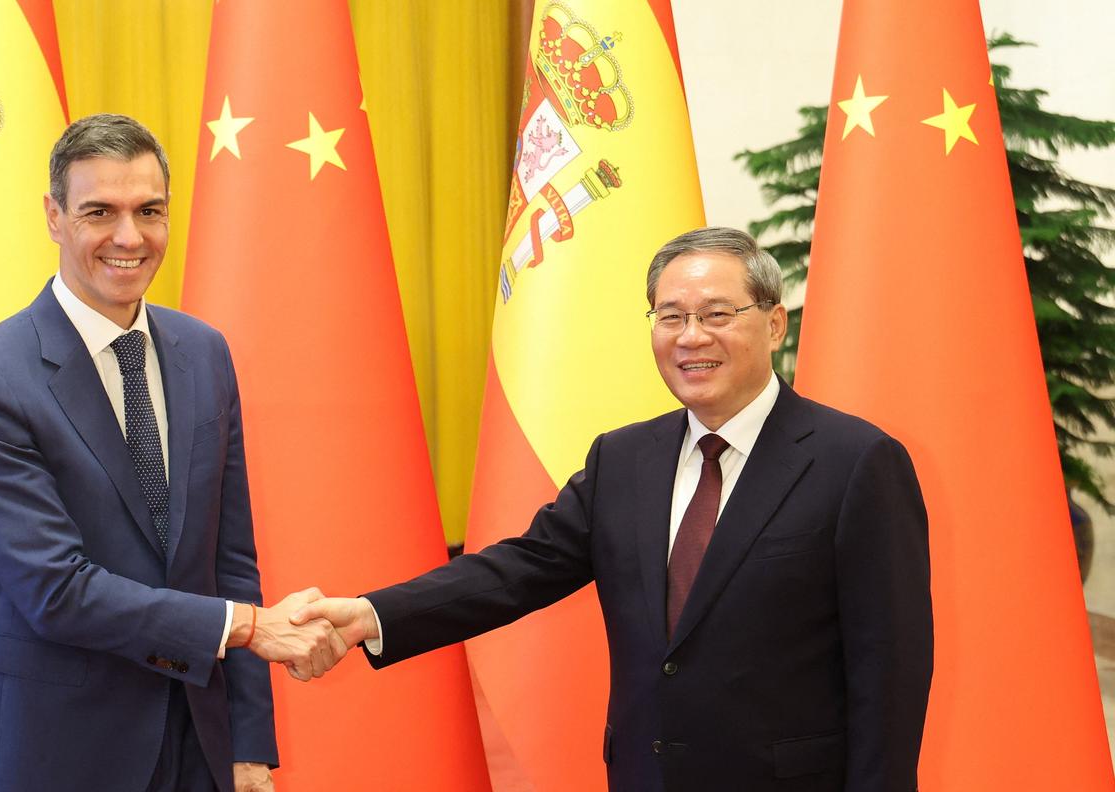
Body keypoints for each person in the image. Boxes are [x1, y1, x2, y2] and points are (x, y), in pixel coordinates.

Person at [294, 227, 933, 790]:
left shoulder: (856, 462)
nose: (691, 337)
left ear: (773, 322)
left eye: (716, 313)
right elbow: (515, 571)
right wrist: (369, 614)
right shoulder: (624, 460)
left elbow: (891, 675)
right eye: (670, 316)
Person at [0, 114, 345, 792]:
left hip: (200, 749)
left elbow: (230, 559)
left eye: (149, 211)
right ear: (54, 216)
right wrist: (244, 628)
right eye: (100, 211)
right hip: (58, 753)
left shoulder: (203, 353)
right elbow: (54, 589)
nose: (129, 237)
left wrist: (248, 745)